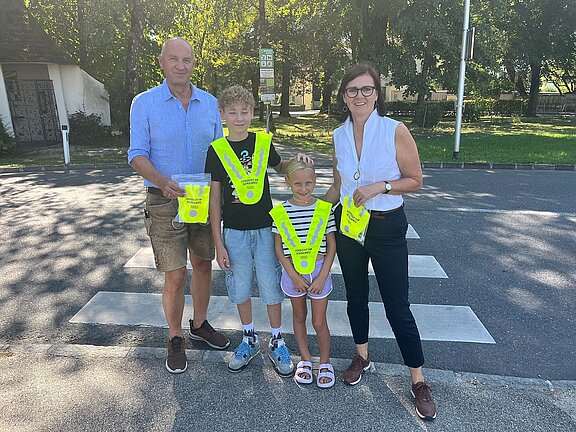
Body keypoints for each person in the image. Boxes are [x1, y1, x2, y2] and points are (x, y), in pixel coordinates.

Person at [324, 64, 437, 420]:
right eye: (352, 90)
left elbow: (416, 179)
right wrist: (305, 213)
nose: (360, 96)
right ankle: (362, 355)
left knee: (396, 305)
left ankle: (418, 380)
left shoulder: (394, 130)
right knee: (355, 297)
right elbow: (338, 187)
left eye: (367, 89)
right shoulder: (338, 135)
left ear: (377, 94)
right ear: (344, 97)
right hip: (349, 226)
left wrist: (381, 186)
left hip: (387, 225)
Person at [128, 37, 230, 375]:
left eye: (186, 59)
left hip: (203, 199)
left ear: (193, 63)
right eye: (173, 59)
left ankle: (199, 324)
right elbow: (136, 155)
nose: (180, 65)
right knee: (174, 275)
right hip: (163, 199)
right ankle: (175, 337)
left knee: (203, 264)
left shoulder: (211, 104)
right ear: (161, 62)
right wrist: (161, 180)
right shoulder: (143, 103)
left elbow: (222, 155)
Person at [205, 85, 311, 377]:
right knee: (240, 288)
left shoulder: (263, 143)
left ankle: (276, 339)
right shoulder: (216, 151)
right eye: (232, 112)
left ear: (252, 112)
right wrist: (218, 242)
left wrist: (297, 162)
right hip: (234, 232)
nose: (239, 117)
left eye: (244, 111)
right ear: (222, 114)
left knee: (270, 285)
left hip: (265, 228)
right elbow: (215, 199)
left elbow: (281, 168)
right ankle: (249, 338)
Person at [270, 160, 337, 388]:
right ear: (287, 182)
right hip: (293, 274)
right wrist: (293, 275)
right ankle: (306, 359)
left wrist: (322, 276)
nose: (304, 188)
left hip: (319, 271)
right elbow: (279, 248)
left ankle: (325, 361)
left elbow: (331, 246)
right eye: (297, 183)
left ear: (315, 181)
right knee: (299, 316)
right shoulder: (280, 212)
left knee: (319, 321)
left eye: (309, 183)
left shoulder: (324, 210)